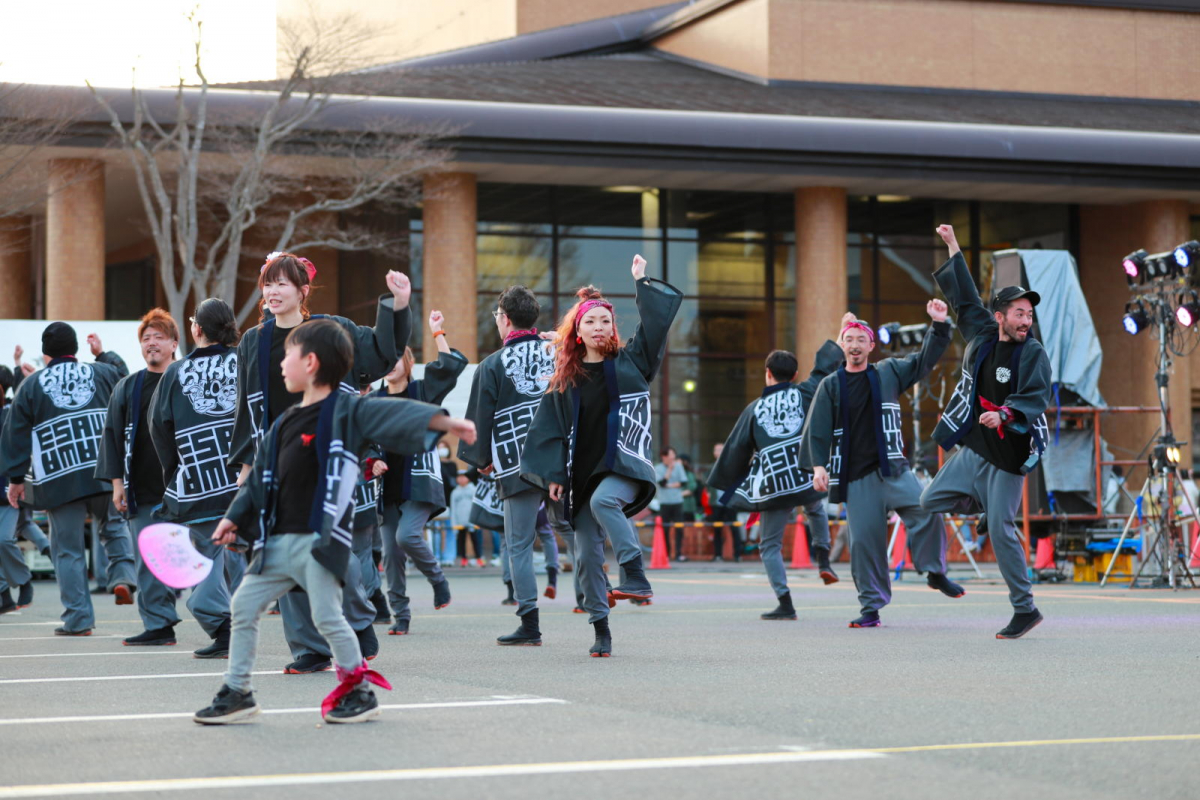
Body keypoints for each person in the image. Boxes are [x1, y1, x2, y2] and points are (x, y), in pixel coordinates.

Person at [194, 319, 476, 725]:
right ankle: (237, 691)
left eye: (287, 355)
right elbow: (257, 480)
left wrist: (446, 423)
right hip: (277, 544)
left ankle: (359, 691)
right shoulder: (284, 422)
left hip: (319, 543)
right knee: (243, 605)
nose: (280, 364)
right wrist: (233, 518)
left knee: (328, 618)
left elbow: (393, 412)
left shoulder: (347, 411)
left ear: (310, 362)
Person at [227, 252, 411, 673]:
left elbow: (380, 353)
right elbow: (246, 410)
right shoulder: (253, 342)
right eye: (268, 284)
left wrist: (398, 305)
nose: (272, 292)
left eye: (282, 284)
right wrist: (247, 467)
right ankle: (309, 649)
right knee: (283, 544)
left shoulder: (331, 331)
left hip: (328, 454)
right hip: (279, 460)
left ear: (302, 291)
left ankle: (360, 617)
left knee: (328, 542)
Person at [521, 253, 682, 657]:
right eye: (590, 321)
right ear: (577, 331)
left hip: (624, 463)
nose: (598, 326)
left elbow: (656, 325)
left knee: (605, 499)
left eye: (605, 321)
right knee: (587, 557)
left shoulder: (632, 362)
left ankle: (634, 572)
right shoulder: (565, 381)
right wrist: (553, 475)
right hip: (581, 476)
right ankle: (601, 629)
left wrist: (641, 282)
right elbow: (548, 432)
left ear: (613, 329)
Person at [921, 223, 1051, 640]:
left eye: (1029, 314)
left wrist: (1007, 414)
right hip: (976, 446)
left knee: (1002, 530)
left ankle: (1025, 609)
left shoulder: (1033, 353)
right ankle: (981, 505)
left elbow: (1036, 396)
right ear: (1000, 317)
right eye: (1018, 313)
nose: (1025, 319)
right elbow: (963, 298)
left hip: (1010, 451)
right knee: (930, 499)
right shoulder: (981, 335)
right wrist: (953, 244)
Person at [800, 300, 962, 629]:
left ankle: (935, 572)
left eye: (862, 340)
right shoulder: (831, 385)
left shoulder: (887, 372)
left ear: (871, 346)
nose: (856, 345)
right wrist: (818, 466)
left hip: (894, 469)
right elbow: (817, 428)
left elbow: (923, 362)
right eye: (850, 339)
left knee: (927, 509)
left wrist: (940, 325)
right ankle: (871, 608)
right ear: (842, 345)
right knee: (864, 542)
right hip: (857, 477)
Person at [0, 323, 136, 636]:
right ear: (75, 349)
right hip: (105, 469)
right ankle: (123, 577)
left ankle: (79, 620)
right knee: (114, 527)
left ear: (46, 354)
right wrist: (102, 353)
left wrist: (17, 479)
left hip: (60, 478)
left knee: (68, 550)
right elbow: (126, 378)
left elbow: (15, 434)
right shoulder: (101, 372)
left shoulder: (32, 385)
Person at [709, 340, 843, 621]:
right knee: (814, 504)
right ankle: (823, 559)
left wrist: (729, 482)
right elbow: (822, 369)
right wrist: (839, 341)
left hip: (774, 482)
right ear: (794, 375)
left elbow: (736, 448)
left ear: (767, 372)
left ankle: (785, 602)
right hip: (805, 475)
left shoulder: (755, 409)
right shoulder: (805, 392)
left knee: (769, 545)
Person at [458, 284, 556, 646]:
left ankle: (530, 625)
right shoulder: (558, 353)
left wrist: (481, 460)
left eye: (497, 315)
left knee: (519, 544)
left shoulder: (492, 365)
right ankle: (599, 623)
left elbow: (480, 418)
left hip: (517, 464)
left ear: (505, 318)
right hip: (564, 458)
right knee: (580, 537)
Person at [373, 310, 467, 636]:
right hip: (386, 485)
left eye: (397, 357)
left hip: (420, 480)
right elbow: (363, 438)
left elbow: (450, 367)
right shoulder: (374, 400)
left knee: (407, 536)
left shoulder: (422, 392)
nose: (391, 363)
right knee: (391, 554)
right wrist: (372, 460)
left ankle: (438, 580)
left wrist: (437, 333)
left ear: (408, 363)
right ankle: (401, 615)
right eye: (386, 359)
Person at [96, 308, 185, 647]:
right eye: (146, 339)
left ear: (174, 343)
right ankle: (159, 625)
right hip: (143, 489)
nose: (151, 343)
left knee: (199, 555)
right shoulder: (128, 387)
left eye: (159, 337)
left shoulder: (186, 379)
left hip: (186, 487)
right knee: (149, 560)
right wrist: (117, 484)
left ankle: (221, 623)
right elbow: (112, 435)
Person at [0, 365, 34, 611]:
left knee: (3, 540)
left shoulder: (9, 414)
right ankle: (4, 595)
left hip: (8, 490)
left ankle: (24, 581)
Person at [706, 444, 741, 562]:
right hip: (716, 503)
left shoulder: (732, 465)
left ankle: (737, 555)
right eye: (717, 450)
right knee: (716, 529)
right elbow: (706, 483)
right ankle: (717, 555)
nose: (719, 452)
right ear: (713, 453)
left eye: (721, 449)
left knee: (734, 528)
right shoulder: (711, 467)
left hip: (729, 501)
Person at [655, 447, 688, 560]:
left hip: (677, 501)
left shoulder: (679, 466)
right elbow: (662, 483)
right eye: (671, 455)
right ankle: (667, 554)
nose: (673, 457)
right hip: (664, 502)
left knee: (679, 528)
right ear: (664, 457)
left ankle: (679, 553)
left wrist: (669, 485)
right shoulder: (658, 468)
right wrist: (669, 470)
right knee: (665, 529)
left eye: (674, 454)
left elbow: (683, 482)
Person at [449, 471, 483, 567]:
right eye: (459, 477)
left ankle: (479, 558)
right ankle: (464, 559)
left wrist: (478, 520)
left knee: (476, 540)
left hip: (472, 520)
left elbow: (478, 505)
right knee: (461, 541)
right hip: (460, 521)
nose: (461, 479)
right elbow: (453, 508)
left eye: (463, 477)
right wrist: (454, 523)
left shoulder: (473, 490)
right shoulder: (455, 492)